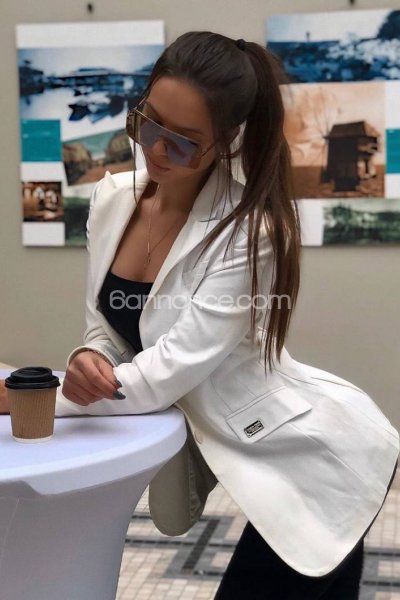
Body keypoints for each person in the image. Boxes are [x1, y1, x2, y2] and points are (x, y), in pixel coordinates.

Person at [0, 32, 398, 599]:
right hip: (255, 459)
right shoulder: (112, 200)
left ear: (226, 142)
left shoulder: (250, 232)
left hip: (316, 465)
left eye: (184, 142)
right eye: (148, 125)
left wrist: (31, 397)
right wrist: (89, 357)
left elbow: (165, 373)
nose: (157, 151)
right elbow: (106, 329)